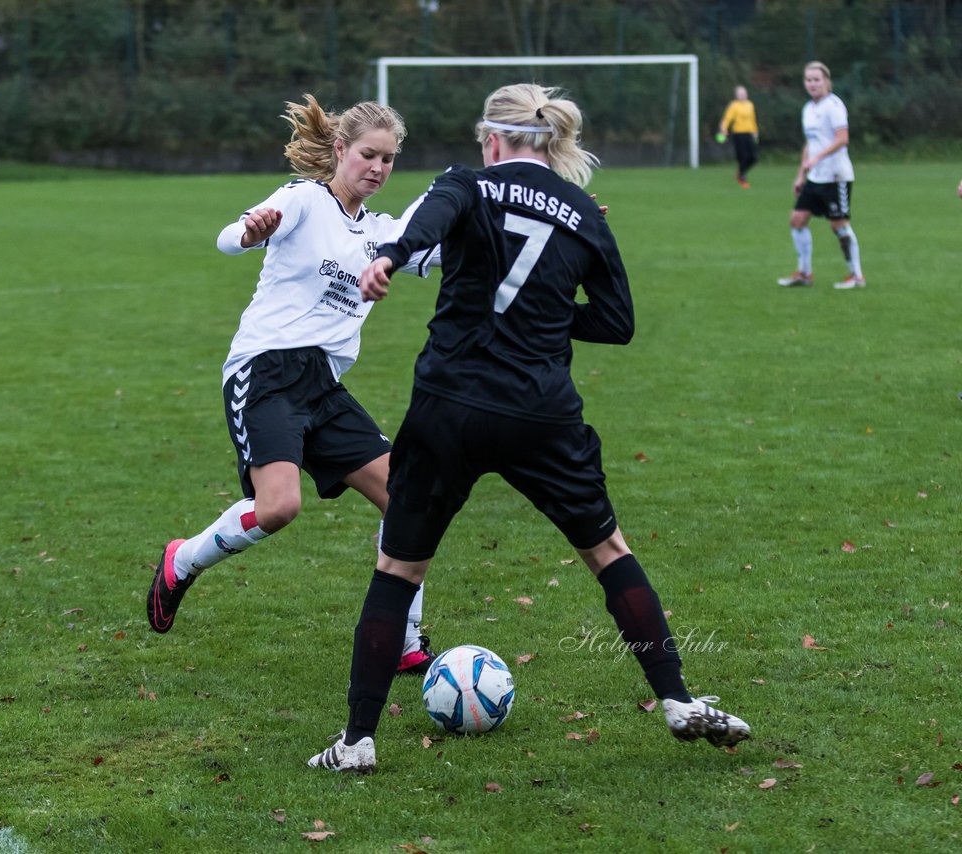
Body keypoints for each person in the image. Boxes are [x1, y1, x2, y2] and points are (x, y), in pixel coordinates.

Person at [306, 83, 751, 773]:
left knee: (398, 569)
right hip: (539, 410)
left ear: (491, 141)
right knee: (608, 552)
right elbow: (617, 323)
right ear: (547, 142)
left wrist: (391, 256)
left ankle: (358, 742)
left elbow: (431, 222)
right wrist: (541, 319)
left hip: (449, 404)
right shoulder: (582, 212)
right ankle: (679, 702)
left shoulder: (470, 186)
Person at [146, 95, 439, 675]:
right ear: (339, 150)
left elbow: (450, 242)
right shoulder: (305, 199)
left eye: (388, 159)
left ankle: (404, 639)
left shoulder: (383, 234)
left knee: (407, 498)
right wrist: (253, 231)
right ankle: (182, 560)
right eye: (368, 155)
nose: (378, 168)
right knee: (278, 507)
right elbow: (230, 237)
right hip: (267, 372)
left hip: (324, 386)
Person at [777, 61, 866, 290]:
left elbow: (842, 139)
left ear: (826, 81)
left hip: (836, 176)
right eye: (808, 80)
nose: (813, 84)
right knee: (797, 219)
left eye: (817, 79)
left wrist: (819, 158)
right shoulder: (808, 109)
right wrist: (801, 174)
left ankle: (856, 276)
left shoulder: (834, 106)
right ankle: (805, 274)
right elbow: (810, 143)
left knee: (838, 225)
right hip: (815, 177)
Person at [717, 85, 759, 189]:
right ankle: (742, 178)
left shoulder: (750, 105)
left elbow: (752, 119)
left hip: (749, 134)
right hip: (738, 135)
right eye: (740, 93)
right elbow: (727, 119)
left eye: (744, 93)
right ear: (736, 95)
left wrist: (755, 131)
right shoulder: (734, 106)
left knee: (754, 158)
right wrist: (723, 129)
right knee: (743, 157)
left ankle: (740, 172)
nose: (743, 95)